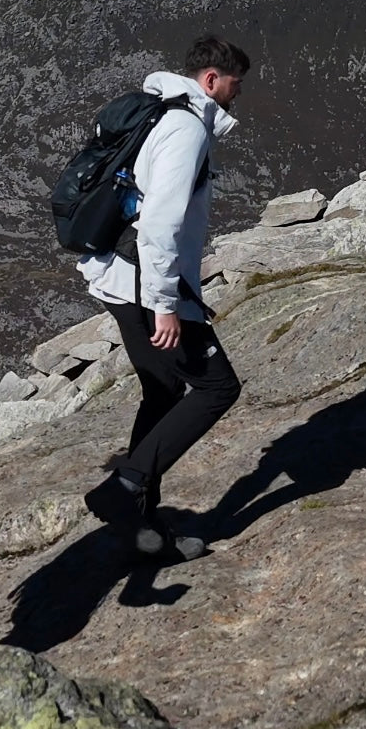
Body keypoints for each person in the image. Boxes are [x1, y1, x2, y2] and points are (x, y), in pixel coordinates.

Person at [80, 35, 247, 558]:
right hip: (145, 282)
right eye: (235, 84)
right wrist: (165, 305)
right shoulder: (185, 128)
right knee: (217, 387)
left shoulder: (159, 112)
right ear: (211, 80)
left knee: (165, 387)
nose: (237, 95)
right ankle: (126, 487)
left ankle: (143, 532)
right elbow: (159, 224)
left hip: (117, 272)